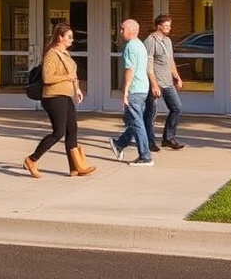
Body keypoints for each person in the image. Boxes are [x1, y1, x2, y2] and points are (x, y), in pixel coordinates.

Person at [23, 22, 95, 178]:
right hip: (53, 97)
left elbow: (73, 74)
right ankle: (32, 159)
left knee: (72, 130)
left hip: (65, 96)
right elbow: (47, 78)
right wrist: (66, 77)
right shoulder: (52, 54)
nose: (72, 40)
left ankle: (75, 167)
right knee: (58, 132)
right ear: (60, 37)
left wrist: (76, 89)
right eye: (69, 37)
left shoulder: (65, 54)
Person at [108, 19, 154, 166]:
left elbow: (130, 70)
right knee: (135, 121)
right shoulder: (140, 45)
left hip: (135, 89)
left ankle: (145, 157)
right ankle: (120, 144)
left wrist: (125, 91)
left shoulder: (130, 47)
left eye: (122, 29)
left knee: (136, 122)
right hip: (143, 88)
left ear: (131, 30)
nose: (120, 32)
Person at [143, 13, 185, 151]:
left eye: (169, 25)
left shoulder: (167, 41)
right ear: (158, 26)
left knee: (176, 108)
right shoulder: (151, 41)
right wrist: (154, 84)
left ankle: (168, 138)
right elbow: (148, 65)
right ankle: (149, 141)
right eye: (166, 26)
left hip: (167, 82)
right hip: (155, 82)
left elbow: (170, 60)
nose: (169, 28)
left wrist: (177, 77)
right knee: (151, 113)